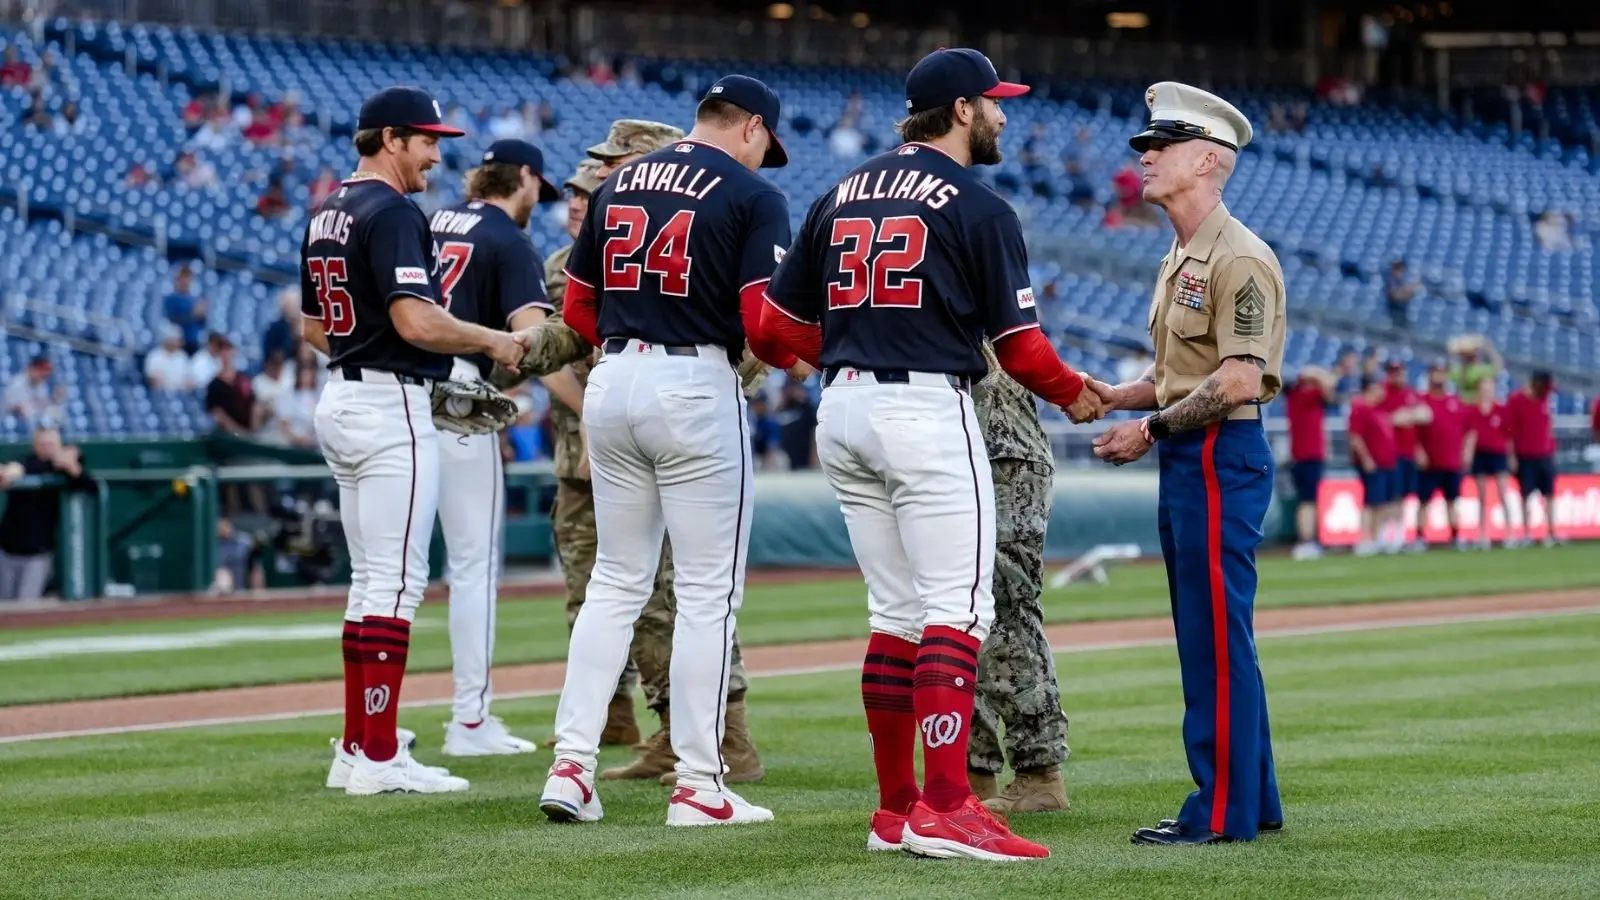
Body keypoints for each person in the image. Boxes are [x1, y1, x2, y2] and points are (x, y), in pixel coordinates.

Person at [763, 47, 1103, 861]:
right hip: (922, 406)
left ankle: (897, 809)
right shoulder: (978, 205)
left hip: (841, 406)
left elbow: (772, 329)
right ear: (959, 110)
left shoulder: (839, 191)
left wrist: (851, 349)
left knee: (895, 616)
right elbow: (1020, 349)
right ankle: (947, 806)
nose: (1003, 115)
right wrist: (1075, 392)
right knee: (958, 609)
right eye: (994, 102)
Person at [538, 75, 796, 828]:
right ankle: (699, 783)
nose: (762, 156)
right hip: (692, 381)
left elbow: (578, 311)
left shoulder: (618, 186)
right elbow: (763, 324)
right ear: (750, 126)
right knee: (707, 594)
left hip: (613, 378)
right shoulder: (751, 196)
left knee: (615, 584)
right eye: (764, 143)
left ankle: (570, 767)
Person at [303, 85, 525, 796]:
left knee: (368, 583)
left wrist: (363, 349)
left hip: (341, 393)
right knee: (397, 585)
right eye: (427, 139)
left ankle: (356, 748)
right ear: (391, 139)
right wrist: (495, 338)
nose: (436, 153)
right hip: (389, 403)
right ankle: (377, 756)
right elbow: (419, 324)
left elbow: (313, 328)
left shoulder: (328, 208)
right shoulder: (391, 210)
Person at [1086, 82, 1286, 845]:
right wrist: (1118, 398)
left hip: (1215, 456)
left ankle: (1222, 810)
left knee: (1213, 638)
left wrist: (1150, 429)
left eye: (1159, 147)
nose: (1146, 157)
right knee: (1216, 634)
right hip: (1195, 453)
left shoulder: (1238, 257)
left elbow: (1237, 380)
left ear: (1207, 161)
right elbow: (1185, 373)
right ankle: (1255, 799)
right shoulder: (1183, 252)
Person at [423, 138, 564, 756]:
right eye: (539, 187)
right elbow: (533, 341)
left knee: (389, 574)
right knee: (473, 565)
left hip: (400, 386)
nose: (540, 200)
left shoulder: (436, 219)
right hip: (456, 395)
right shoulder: (507, 239)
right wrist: (588, 406)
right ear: (524, 176)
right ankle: (470, 721)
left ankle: (369, 730)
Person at [965, 341, 1071, 815]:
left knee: (1008, 615)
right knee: (959, 614)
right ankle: (972, 770)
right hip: (964, 453)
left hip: (1001, 456)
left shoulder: (968, 273)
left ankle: (1038, 771)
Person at [0, 427, 94, 600]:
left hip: (38, 553)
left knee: (26, 605)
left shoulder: (63, 469)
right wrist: (8, 472)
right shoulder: (26, 461)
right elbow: (16, 468)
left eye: (50, 444)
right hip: (7, 549)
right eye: (42, 444)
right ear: (35, 445)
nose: (46, 448)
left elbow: (89, 486)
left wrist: (72, 465)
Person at [1415, 361, 1470, 549]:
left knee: (1453, 500)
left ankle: (1455, 536)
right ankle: (1420, 537)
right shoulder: (1421, 400)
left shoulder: (1455, 402)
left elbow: (1467, 429)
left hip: (1451, 460)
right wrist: (1418, 450)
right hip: (1429, 461)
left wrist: (1465, 452)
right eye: (1436, 372)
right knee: (1424, 501)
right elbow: (1413, 432)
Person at [1283, 365, 1335, 559]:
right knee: (1308, 501)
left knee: (1308, 501)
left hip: (1302, 456)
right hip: (1308, 455)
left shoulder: (1295, 398)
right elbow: (1329, 385)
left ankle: (1309, 540)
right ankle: (1306, 541)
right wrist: (1316, 373)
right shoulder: (1303, 396)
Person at [1465, 376, 1521, 549]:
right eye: (1484, 387)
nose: (1487, 391)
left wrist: (1511, 456)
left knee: (1502, 493)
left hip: (1498, 453)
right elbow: (1470, 434)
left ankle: (1510, 531)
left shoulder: (1501, 410)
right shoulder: (1473, 410)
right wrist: (1467, 454)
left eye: (1489, 387)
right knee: (1481, 496)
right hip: (1480, 454)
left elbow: (1509, 435)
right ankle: (1482, 533)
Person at [1503, 371, 1559, 546]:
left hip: (1545, 454)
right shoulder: (1516, 401)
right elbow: (1509, 431)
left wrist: (1552, 448)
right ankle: (1527, 533)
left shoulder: (1544, 399)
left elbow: (1548, 425)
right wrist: (1511, 455)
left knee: (1549, 494)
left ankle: (1551, 532)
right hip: (1525, 454)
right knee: (1526, 495)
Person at [1347, 376, 1401, 555]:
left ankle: (1377, 538)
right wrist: (1367, 459)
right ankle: (1365, 539)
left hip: (1387, 463)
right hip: (1374, 463)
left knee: (1382, 502)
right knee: (1371, 502)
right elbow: (1355, 436)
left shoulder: (1379, 409)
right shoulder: (1361, 407)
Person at [1379, 360, 1429, 552]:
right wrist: (1406, 416)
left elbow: (1425, 415)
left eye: (1401, 372)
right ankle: (1385, 535)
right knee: (1390, 496)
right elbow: (1389, 419)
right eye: (1394, 372)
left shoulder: (1410, 393)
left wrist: (1406, 416)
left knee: (1403, 496)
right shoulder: (1384, 392)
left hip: (1409, 452)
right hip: (1391, 454)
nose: (1398, 376)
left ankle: (1398, 535)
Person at [163, 266, 208, 355]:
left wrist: (202, 316)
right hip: (177, 342)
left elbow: (201, 323)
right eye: (183, 278)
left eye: (188, 278)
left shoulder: (193, 299)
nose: (185, 282)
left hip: (193, 341)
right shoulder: (172, 298)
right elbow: (172, 319)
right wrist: (194, 314)